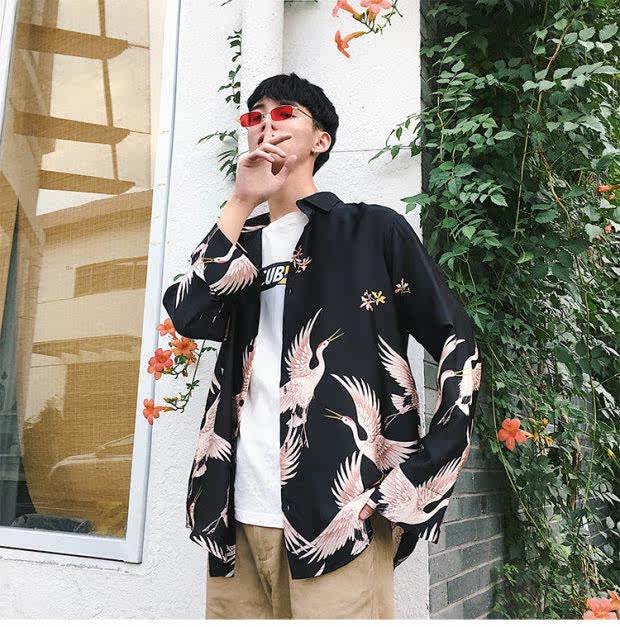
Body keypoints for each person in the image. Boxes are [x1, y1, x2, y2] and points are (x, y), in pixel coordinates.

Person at [162, 73, 482, 619]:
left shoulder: (371, 232)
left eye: (284, 113)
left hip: (341, 516)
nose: (266, 125)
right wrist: (240, 201)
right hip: (236, 515)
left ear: (321, 139)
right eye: (254, 116)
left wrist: (419, 474)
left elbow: (456, 341)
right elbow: (187, 311)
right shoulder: (243, 246)